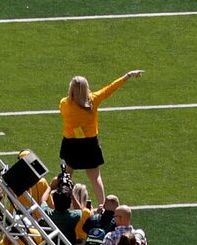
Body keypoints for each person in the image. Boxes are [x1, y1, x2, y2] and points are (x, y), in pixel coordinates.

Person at [60, 70, 141, 205]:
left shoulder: (64, 103)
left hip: (71, 144)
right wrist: (128, 75)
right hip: (90, 144)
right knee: (95, 177)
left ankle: (62, 204)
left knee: (66, 176)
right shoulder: (93, 101)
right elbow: (109, 89)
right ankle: (103, 206)